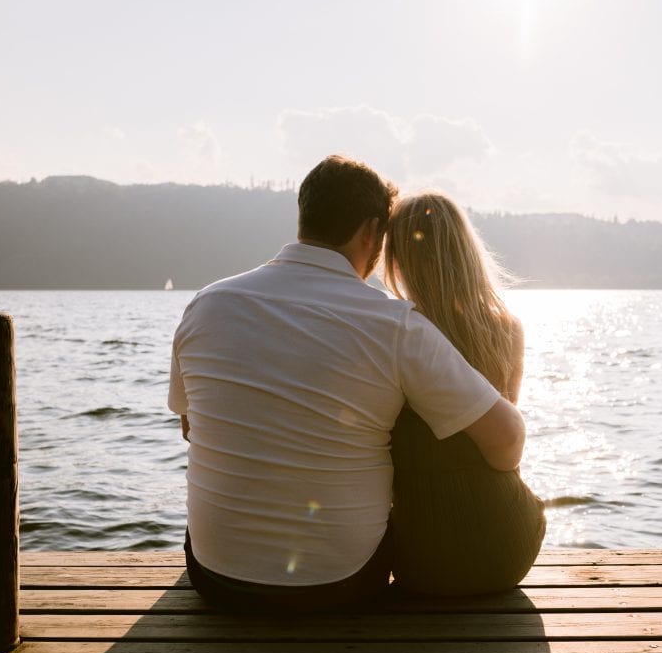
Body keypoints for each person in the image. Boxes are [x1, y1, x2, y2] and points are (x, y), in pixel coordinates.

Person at [168, 155, 527, 612]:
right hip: (342, 585)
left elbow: (190, 428)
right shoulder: (395, 325)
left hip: (216, 580)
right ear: (371, 233)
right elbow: (509, 436)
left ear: (304, 216)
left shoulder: (207, 304)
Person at [383, 191, 546, 596]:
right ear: (465, 249)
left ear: (398, 260)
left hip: (424, 555)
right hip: (512, 544)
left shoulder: (397, 334)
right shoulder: (506, 329)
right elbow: (503, 449)